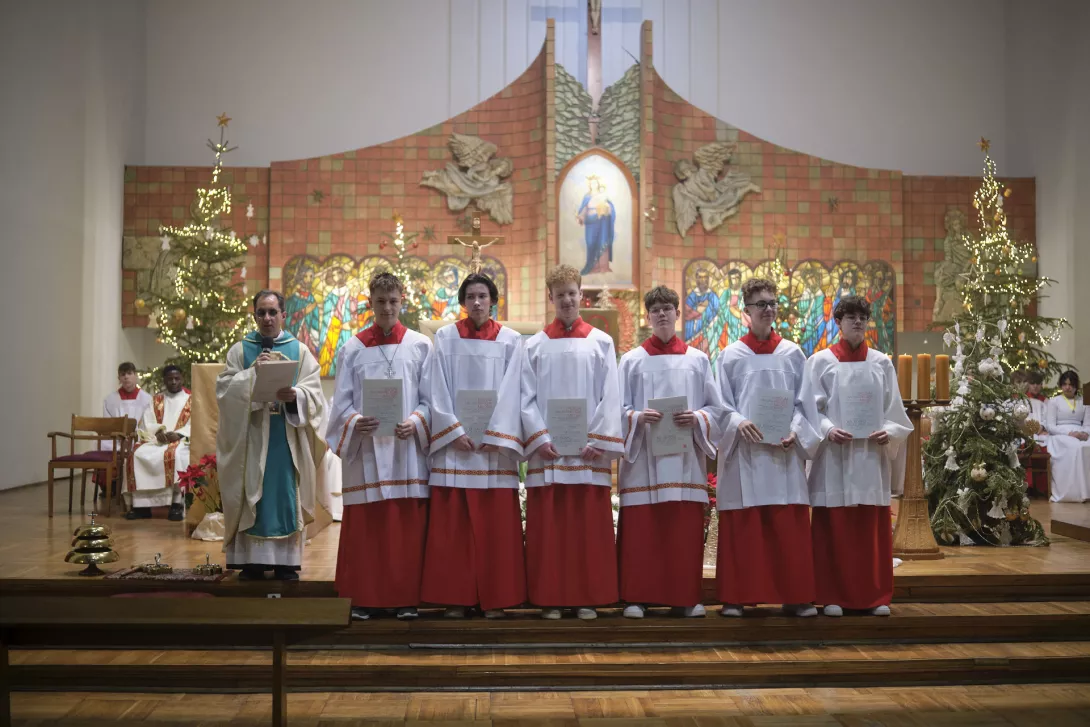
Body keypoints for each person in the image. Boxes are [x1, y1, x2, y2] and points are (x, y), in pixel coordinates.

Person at [419, 273, 527, 619]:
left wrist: (496, 434)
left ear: (493, 300)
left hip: (493, 452)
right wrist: (453, 430)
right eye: (470, 296)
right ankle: (456, 597)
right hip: (457, 449)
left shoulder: (511, 341)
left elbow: (515, 392)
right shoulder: (446, 338)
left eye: (483, 295)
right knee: (455, 530)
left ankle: (495, 598)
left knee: (494, 530)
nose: (477, 302)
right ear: (463, 302)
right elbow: (436, 389)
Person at [326, 272, 434, 621]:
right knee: (368, 529)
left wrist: (416, 421)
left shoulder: (420, 345)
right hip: (368, 451)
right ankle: (365, 597)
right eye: (380, 301)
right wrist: (356, 421)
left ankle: (406, 598)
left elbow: (432, 400)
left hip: (406, 451)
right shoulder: (353, 348)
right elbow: (340, 404)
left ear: (402, 301)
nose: (387, 308)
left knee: (405, 529)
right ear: (370, 302)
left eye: (393, 301)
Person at [521, 264, 623, 619]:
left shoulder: (601, 342)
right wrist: (539, 438)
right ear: (550, 298)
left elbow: (611, 395)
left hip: (587, 452)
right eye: (559, 293)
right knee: (550, 530)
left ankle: (585, 597)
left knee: (585, 530)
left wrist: (598, 438)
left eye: (572, 292)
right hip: (548, 453)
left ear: (582, 295)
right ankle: (550, 597)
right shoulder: (533, 345)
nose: (566, 299)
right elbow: (525, 397)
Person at [714, 278, 820, 618]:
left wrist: (795, 432)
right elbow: (719, 406)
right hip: (745, 453)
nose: (769, 309)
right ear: (746, 311)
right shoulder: (730, 356)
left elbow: (806, 406)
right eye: (761, 304)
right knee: (745, 527)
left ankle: (796, 595)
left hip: (782, 453)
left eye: (773, 303)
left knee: (786, 525)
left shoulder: (792, 353)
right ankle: (737, 595)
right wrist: (735, 422)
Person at [617, 285, 724, 619]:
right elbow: (614, 410)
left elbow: (717, 409)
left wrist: (698, 417)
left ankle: (685, 597)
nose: (662, 314)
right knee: (642, 531)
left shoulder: (698, 360)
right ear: (647, 317)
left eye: (667, 308)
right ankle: (636, 596)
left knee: (681, 531)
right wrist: (635, 417)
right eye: (655, 309)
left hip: (684, 461)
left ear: (678, 313)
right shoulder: (632, 361)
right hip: (643, 461)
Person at [801, 295, 912, 616]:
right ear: (838, 322)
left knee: (868, 530)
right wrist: (826, 429)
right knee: (834, 527)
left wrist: (888, 432)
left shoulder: (880, 363)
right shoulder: (820, 362)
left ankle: (874, 596)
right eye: (851, 317)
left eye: (863, 317)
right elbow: (810, 409)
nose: (858, 322)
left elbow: (895, 413)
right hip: (835, 456)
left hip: (868, 457)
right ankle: (832, 595)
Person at [217, 290, 326, 581]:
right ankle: (251, 562)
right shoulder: (240, 351)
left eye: (272, 312)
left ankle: (286, 563)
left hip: (285, 436)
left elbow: (315, 394)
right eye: (261, 313)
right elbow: (225, 392)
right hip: (251, 437)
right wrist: (251, 375)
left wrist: (296, 396)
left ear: (283, 315)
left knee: (283, 497)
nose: (267, 318)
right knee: (254, 492)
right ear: (254, 316)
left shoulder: (300, 351)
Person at [124, 365, 191, 521]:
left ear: (182, 379)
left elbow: (196, 424)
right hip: (156, 440)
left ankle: (176, 504)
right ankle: (142, 507)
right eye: (170, 379)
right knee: (137, 455)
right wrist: (157, 432)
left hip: (181, 441)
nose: (174, 382)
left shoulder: (191, 400)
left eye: (177, 378)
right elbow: (147, 422)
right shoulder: (156, 400)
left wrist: (179, 434)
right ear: (164, 381)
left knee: (178, 456)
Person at [98, 362, 152, 499]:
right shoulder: (110, 400)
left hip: (138, 438)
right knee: (103, 448)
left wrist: (134, 437)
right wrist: (121, 437)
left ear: (136, 376)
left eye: (129, 374)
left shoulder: (147, 399)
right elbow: (108, 423)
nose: (126, 377)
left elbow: (148, 423)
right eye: (123, 374)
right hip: (115, 440)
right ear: (119, 378)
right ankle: (109, 485)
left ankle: (139, 487)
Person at [1044, 370, 1090, 503]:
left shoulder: (1084, 401)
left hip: (1081, 433)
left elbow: (1088, 423)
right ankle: (1072, 492)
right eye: (1064, 384)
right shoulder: (1054, 401)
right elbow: (1050, 426)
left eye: (1071, 384)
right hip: (1059, 435)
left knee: (1086, 445)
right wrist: (1069, 433)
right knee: (1074, 447)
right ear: (1061, 385)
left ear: (1076, 386)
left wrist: (1085, 433)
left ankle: (1087, 491)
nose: (1067, 387)